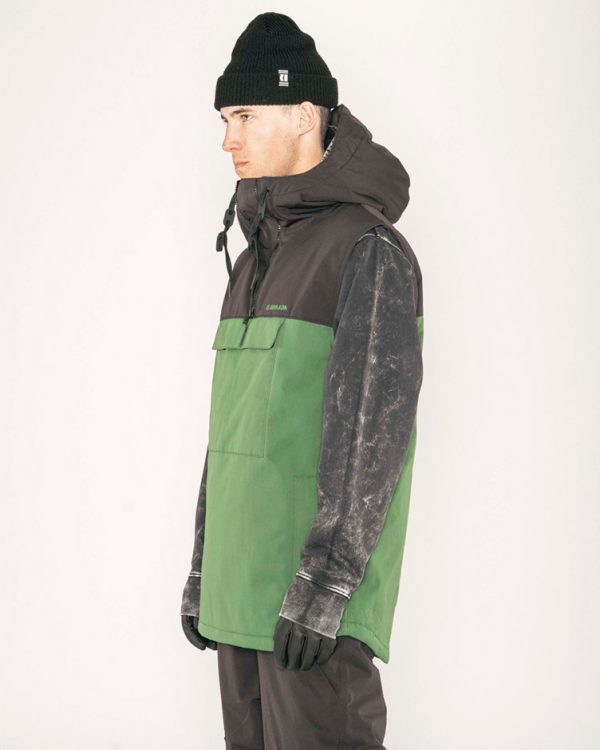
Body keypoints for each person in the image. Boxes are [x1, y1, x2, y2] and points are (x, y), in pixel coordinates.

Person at [180, 12, 424, 749]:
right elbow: (232, 432)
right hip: (241, 600)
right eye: (225, 120)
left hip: (311, 614)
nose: (228, 139)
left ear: (304, 115)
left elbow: (371, 441)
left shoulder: (367, 249)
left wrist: (327, 586)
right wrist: (205, 569)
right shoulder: (256, 255)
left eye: (245, 116)